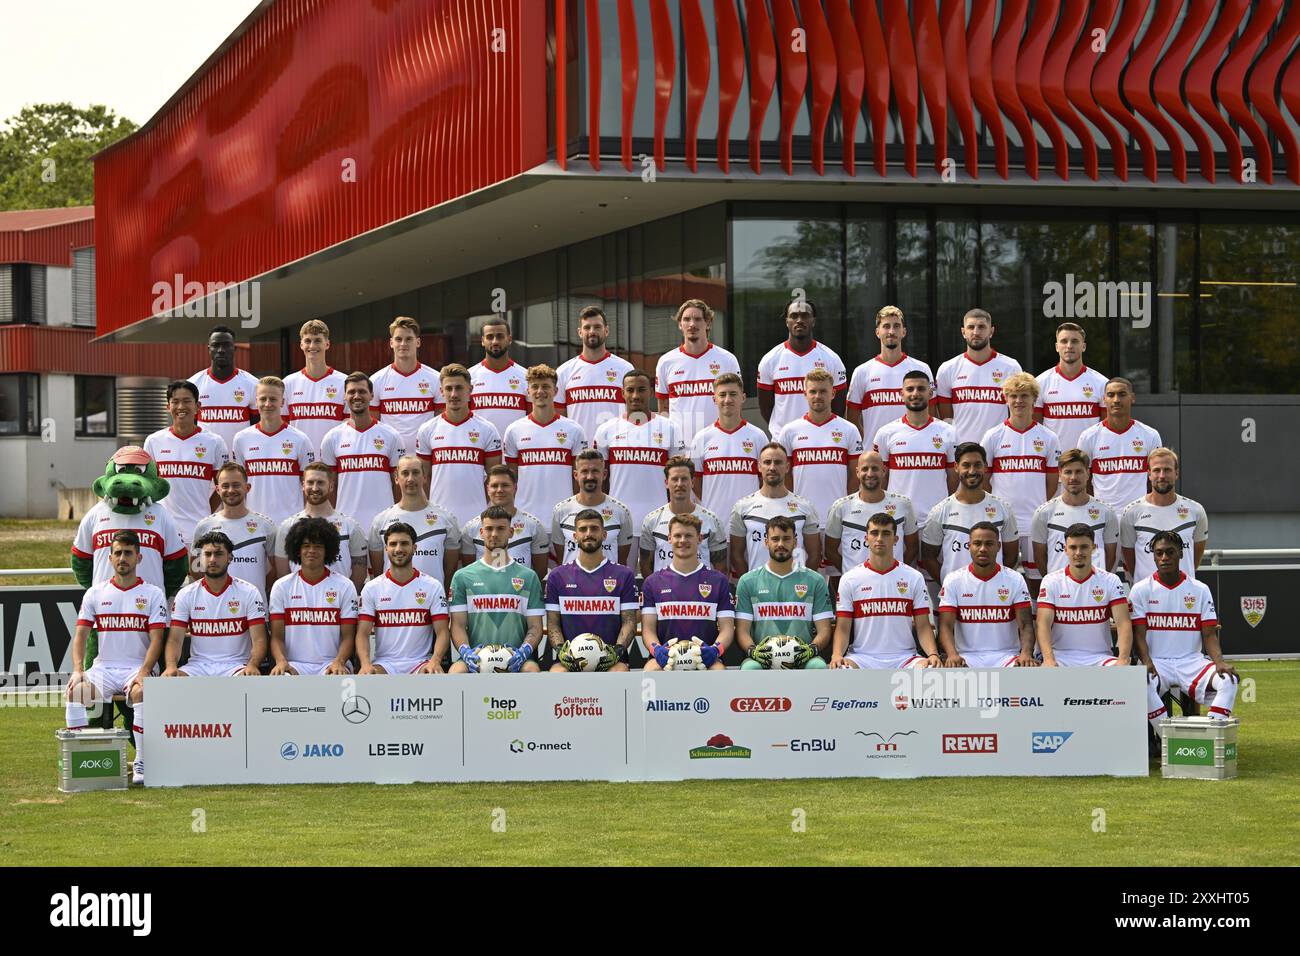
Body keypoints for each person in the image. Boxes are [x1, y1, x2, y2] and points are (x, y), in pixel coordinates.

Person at [65, 531, 169, 785]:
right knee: (76, 692)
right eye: (118, 553)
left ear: (139, 557)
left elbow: (157, 640)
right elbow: (80, 636)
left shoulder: (153, 594)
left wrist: (145, 671)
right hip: (105, 668)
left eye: (128, 553)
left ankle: (142, 762)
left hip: (138, 667)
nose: (123, 558)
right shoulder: (95, 593)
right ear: (110, 558)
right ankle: (78, 758)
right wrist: (78, 669)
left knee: (139, 694)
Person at [1131, 531, 1238, 733]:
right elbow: (1138, 635)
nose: (1164, 558)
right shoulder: (1140, 589)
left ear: (1181, 553)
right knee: (1140, 684)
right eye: (1159, 553)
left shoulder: (1200, 589)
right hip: (1157, 662)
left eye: (1170, 552)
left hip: (1191, 662)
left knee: (1229, 680)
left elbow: (1209, 635)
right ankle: (1169, 740)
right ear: (1153, 556)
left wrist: (1219, 662)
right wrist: (1146, 661)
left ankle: (1210, 736)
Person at [980, 371, 1061, 586]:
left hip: (1035, 519)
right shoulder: (993, 436)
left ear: (1034, 399)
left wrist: (1038, 505)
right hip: (1002, 519)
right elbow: (985, 478)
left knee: (1037, 578)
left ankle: (1035, 618)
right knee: (1003, 576)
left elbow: (1052, 481)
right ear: (1006, 399)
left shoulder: (1048, 437)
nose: (1018, 401)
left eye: (1024, 395)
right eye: (1013, 396)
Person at [831, 513, 940, 669]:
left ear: (896, 539)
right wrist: (836, 655)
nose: (880, 538)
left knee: (930, 669)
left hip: (905, 658)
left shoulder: (913, 577)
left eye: (886, 533)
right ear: (866, 538)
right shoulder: (850, 578)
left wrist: (933, 654)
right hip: (862, 658)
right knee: (840, 669)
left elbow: (923, 626)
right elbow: (843, 627)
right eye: (874, 533)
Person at [448, 506, 544, 673]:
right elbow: (458, 625)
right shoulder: (462, 576)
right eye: (489, 529)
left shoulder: (528, 577)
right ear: (481, 532)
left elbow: (535, 627)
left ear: (511, 532)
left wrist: (524, 652)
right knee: (456, 671)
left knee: (532, 670)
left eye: (501, 528)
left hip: (517, 660)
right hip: (475, 658)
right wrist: (466, 652)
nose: (494, 534)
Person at [593, 369, 685, 533]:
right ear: (622, 393)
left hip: (661, 522)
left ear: (650, 392)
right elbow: (601, 479)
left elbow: (678, 479)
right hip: (617, 521)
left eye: (641, 390)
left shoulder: (670, 428)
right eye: (630, 390)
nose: (635, 395)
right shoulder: (606, 430)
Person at [545, 510, 637, 672]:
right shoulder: (557, 576)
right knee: (557, 673)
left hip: (612, 661)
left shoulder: (624, 574)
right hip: (570, 661)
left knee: (619, 672)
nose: (588, 533)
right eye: (583, 529)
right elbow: (553, 623)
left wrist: (616, 652)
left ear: (604, 534)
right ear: (574, 536)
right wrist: (562, 651)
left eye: (594, 529)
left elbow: (629, 621)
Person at [734, 516, 832, 670]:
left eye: (786, 539)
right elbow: (742, 630)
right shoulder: (748, 581)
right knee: (750, 668)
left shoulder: (815, 580)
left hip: (804, 658)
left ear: (795, 541)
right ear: (766, 542)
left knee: (818, 666)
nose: (780, 544)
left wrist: (811, 650)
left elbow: (825, 629)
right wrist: (753, 652)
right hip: (762, 659)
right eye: (775, 539)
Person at [415, 363, 503, 533]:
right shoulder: (427, 430)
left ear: (470, 390)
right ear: (441, 391)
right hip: (438, 519)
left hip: (478, 518)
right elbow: (423, 480)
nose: (453, 394)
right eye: (448, 388)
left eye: (459, 388)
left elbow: (494, 479)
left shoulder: (487, 430)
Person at [164, 531, 266, 678]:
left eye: (218, 554)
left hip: (236, 667)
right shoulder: (186, 594)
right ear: (200, 558)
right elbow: (175, 639)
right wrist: (171, 666)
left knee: (249, 679)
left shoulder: (249, 592)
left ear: (230, 557)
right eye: (207, 554)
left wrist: (253, 665)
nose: (212, 559)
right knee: (166, 682)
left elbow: (259, 639)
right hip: (197, 667)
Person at [641, 514, 733, 672]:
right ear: (669, 538)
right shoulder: (653, 582)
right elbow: (648, 629)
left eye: (689, 535)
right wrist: (656, 650)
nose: (682, 540)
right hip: (666, 658)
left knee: (719, 671)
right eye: (677, 535)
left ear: (700, 538)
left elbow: (727, 628)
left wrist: (715, 650)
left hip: (704, 658)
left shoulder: (718, 580)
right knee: (650, 670)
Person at [936, 522, 1036, 668]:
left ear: (998, 547)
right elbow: (945, 625)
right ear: (969, 546)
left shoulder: (1014, 579)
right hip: (966, 656)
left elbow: (1026, 625)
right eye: (977, 543)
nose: (983, 549)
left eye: (989, 544)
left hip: (1007, 656)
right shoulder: (953, 579)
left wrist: (1026, 654)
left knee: (1027, 674)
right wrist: (952, 655)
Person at [356, 522, 450, 675]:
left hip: (420, 663)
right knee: (368, 675)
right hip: (384, 664)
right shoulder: (372, 588)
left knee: (432, 674)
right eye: (393, 544)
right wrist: (365, 664)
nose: (398, 549)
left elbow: (442, 631)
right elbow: (362, 633)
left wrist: (435, 660)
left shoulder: (432, 586)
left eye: (404, 543)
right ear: (386, 549)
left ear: (414, 548)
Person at [144, 380, 230, 547]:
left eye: (187, 401)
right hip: (163, 528)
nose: (181, 406)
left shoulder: (215, 442)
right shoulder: (153, 441)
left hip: (201, 530)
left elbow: (223, 487)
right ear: (168, 407)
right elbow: (148, 485)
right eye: (175, 402)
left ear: (198, 406)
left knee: (200, 574)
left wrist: (205, 513)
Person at [268, 517, 359, 676]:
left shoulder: (344, 586)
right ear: (297, 549)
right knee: (282, 676)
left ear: (327, 551)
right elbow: (277, 637)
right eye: (306, 546)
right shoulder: (282, 586)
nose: (312, 550)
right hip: (294, 664)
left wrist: (339, 661)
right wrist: (281, 661)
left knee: (336, 676)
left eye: (318, 546)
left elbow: (348, 636)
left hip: (332, 663)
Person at [318, 372, 405, 535]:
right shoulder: (332, 437)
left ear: (371, 395)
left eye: (362, 391)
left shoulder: (391, 435)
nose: (356, 396)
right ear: (344, 396)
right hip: (345, 526)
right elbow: (331, 486)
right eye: (351, 392)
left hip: (385, 524)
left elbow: (398, 485)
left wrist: (397, 517)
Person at [920, 443, 1018, 586]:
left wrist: (994, 583)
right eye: (966, 465)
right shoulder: (940, 511)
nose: (972, 471)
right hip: (955, 600)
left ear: (985, 466)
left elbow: (1011, 557)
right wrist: (950, 587)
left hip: (994, 594)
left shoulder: (1003, 508)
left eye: (977, 465)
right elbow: (929, 558)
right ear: (956, 467)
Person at [871, 370, 957, 532]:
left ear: (930, 393)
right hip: (897, 519)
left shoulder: (948, 432)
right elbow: (881, 478)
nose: (915, 393)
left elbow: (953, 477)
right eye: (910, 389)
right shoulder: (886, 433)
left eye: (921, 389)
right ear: (901, 393)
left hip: (937, 519)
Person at [777, 368, 863, 530]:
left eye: (823, 391)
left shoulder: (849, 430)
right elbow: (785, 475)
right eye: (813, 391)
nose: (817, 396)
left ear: (833, 393)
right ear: (805, 394)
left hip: (839, 519)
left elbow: (855, 474)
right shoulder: (789, 431)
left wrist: (845, 506)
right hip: (801, 518)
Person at [1035, 524, 1131, 667]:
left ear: (1093, 547)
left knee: (1128, 677)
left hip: (1100, 658)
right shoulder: (1051, 581)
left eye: (1084, 547)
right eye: (1073, 547)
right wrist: (1048, 659)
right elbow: (1043, 624)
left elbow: (1123, 623)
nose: (1078, 552)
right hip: (1060, 658)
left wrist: (1123, 659)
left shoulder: (1110, 580)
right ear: (1065, 549)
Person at [502, 364, 586, 522]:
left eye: (546, 386)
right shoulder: (514, 430)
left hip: (564, 516)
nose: (540, 391)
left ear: (555, 391)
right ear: (528, 391)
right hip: (524, 517)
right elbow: (512, 478)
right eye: (535, 386)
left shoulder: (574, 430)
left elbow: (578, 478)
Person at [231, 376, 315, 528]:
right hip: (253, 525)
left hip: (291, 525)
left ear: (283, 402)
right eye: (263, 399)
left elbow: (308, 488)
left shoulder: (300, 439)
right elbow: (238, 484)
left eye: (273, 399)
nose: (267, 404)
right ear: (256, 401)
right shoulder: (241, 439)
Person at [846, 305, 935, 447]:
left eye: (896, 326)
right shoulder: (862, 372)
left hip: (912, 452)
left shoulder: (921, 369)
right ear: (877, 332)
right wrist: (868, 443)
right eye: (886, 326)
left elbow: (931, 414)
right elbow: (851, 421)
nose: (891, 331)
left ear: (904, 332)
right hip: (874, 459)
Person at [369, 455, 462, 588]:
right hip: (390, 602)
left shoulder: (446, 519)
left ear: (424, 477)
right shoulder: (381, 520)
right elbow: (378, 572)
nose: (410, 479)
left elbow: (450, 570)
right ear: (396, 478)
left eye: (416, 473)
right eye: (405, 473)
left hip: (432, 603)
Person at [729, 443, 822, 575]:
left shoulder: (805, 507)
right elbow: (736, 554)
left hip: (795, 590)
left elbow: (815, 554)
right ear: (759, 466)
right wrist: (750, 584)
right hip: (758, 590)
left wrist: (803, 582)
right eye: (767, 462)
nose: (772, 467)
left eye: (778, 462)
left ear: (787, 467)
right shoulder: (742, 507)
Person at [757, 298, 847, 433]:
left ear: (813, 321)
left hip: (821, 438)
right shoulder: (770, 360)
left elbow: (839, 406)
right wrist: (783, 432)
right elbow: (766, 407)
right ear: (787, 322)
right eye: (794, 316)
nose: (799, 320)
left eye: (805, 316)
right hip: (783, 442)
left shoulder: (831, 359)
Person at [654, 298, 741, 438]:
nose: (692, 324)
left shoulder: (727, 360)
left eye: (698, 319)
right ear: (680, 325)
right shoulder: (666, 362)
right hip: (680, 446)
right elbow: (663, 408)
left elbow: (735, 405)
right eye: (687, 319)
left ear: (708, 323)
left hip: (717, 442)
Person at [273, 462, 369, 589]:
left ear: (331, 486)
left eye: (320, 483)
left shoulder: (350, 526)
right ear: (303, 485)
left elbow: (359, 572)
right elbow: (282, 574)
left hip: (338, 604)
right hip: (299, 603)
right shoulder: (287, 527)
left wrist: (344, 597)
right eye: (310, 482)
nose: (314, 488)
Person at [1120, 448, 1208, 585]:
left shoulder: (1195, 511)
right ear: (1149, 474)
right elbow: (1129, 558)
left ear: (1176, 473)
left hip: (1185, 596)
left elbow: (1195, 558)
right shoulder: (1132, 512)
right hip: (1146, 597)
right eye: (1156, 470)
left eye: (1167, 470)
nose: (1162, 475)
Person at [935, 308, 1023, 443]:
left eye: (981, 327)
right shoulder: (947, 369)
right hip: (962, 449)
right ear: (963, 332)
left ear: (991, 331)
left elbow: (1018, 412)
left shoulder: (1011, 367)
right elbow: (946, 420)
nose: (976, 332)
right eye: (971, 327)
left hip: (1000, 447)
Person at [191, 462, 276, 603]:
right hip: (217, 609)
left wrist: (256, 591)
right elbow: (195, 568)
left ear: (247, 488)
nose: (230, 490)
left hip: (255, 610)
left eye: (236, 485)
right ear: (217, 490)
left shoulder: (265, 525)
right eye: (225, 486)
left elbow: (276, 570)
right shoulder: (204, 526)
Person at [1076, 377, 1162, 515]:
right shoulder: (1088, 436)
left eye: (1122, 394)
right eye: (1111, 395)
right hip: (1102, 517)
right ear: (1104, 399)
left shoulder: (1150, 435)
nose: (1116, 400)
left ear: (1132, 398)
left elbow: (1156, 479)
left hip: (1140, 515)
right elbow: (1084, 480)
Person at [689, 373, 765, 526]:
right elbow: (695, 483)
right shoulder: (701, 438)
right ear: (714, 399)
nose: (727, 400)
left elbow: (764, 481)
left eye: (733, 394)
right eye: (722, 395)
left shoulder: (758, 436)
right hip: (714, 524)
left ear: (743, 397)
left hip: (750, 523)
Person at [825, 451, 918, 577]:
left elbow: (912, 548)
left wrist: (895, 572)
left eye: (875, 468)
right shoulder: (841, 507)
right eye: (865, 469)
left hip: (893, 582)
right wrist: (850, 574)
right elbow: (830, 551)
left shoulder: (903, 504)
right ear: (857, 472)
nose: (869, 474)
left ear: (884, 471)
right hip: (855, 585)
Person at [1030, 449, 1118, 577]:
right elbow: (1039, 557)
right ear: (1060, 474)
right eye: (1068, 472)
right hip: (1058, 591)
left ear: (1088, 474)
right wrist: (1055, 582)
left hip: (1095, 590)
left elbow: (1110, 557)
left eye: (1079, 472)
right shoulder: (1044, 512)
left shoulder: (1106, 512)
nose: (1073, 477)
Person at [640, 457, 727, 576]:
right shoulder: (652, 520)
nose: (679, 484)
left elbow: (721, 568)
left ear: (692, 482)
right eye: (675, 479)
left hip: (701, 591)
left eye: (684, 479)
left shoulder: (711, 519)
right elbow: (645, 565)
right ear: (666, 482)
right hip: (664, 591)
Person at [460, 465, 550, 579]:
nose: (499, 490)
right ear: (487, 489)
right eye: (494, 486)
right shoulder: (471, 528)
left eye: (505, 485)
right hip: (482, 594)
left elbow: (539, 575)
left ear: (515, 488)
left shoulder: (534, 525)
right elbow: (469, 573)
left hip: (520, 593)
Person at [555, 305, 633, 435]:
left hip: (614, 449)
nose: (592, 331)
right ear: (580, 332)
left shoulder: (625, 369)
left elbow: (633, 413)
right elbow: (559, 419)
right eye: (587, 327)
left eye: (597, 327)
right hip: (579, 451)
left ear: (606, 331)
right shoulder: (564, 371)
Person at [369, 316, 443, 447]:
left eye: (409, 339)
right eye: (398, 339)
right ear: (391, 343)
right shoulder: (376, 381)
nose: (403, 344)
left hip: (424, 456)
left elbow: (441, 423)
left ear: (418, 342)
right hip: (391, 458)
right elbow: (373, 425)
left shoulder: (435, 379)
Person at [551, 450, 634, 566]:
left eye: (595, 471)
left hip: (608, 582)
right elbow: (561, 559)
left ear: (604, 474)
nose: (590, 476)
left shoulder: (621, 511)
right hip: (572, 582)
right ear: (576, 475)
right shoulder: (560, 510)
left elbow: (622, 561)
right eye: (584, 471)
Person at [1034, 322, 1108, 450]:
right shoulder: (1040, 383)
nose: (1069, 346)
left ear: (1083, 346)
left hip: (1088, 460)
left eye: (1074, 341)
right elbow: (1035, 428)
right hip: (1055, 461)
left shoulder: (1101, 383)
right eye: (1064, 341)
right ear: (1057, 347)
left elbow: (1106, 428)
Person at [282, 319, 348, 455]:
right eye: (307, 341)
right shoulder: (288, 383)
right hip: (299, 461)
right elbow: (282, 428)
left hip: (332, 461)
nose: (312, 345)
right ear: (301, 344)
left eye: (317, 340)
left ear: (327, 344)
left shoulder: (344, 382)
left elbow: (349, 428)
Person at [188, 325, 259, 450]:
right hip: (206, 457)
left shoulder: (252, 384)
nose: (221, 350)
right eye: (216, 345)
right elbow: (189, 426)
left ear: (234, 348)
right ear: (209, 349)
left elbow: (257, 427)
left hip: (239, 461)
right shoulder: (193, 384)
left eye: (226, 345)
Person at [468, 317, 530, 435]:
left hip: (515, 451)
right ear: (482, 341)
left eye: (500, 336)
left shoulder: (526, 377)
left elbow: (533, 420)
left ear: (509, 339)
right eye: (490, 337)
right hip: (481, 450)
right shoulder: (469, 377)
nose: (495, 341)